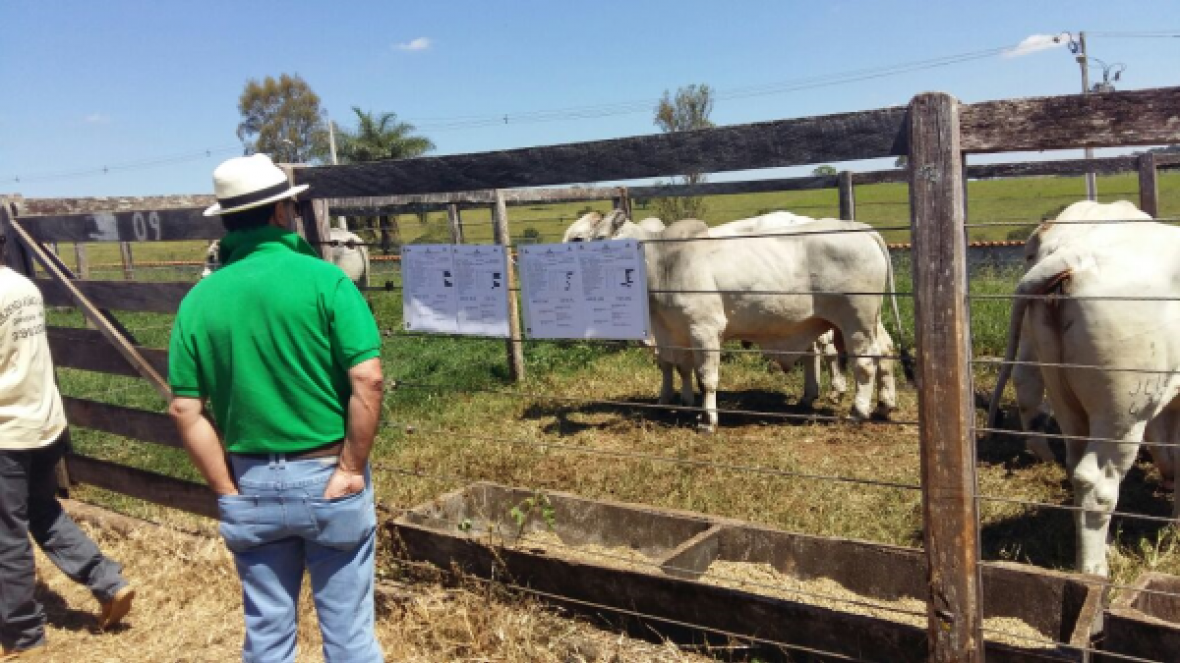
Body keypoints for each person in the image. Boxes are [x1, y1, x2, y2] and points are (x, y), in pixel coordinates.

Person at [167, 154, 384, 663]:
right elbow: (367, 378)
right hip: (328, 473)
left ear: (226, 220)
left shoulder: (199, 300)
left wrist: (226, 490)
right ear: (280, 212)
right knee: (349, 635)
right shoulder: (327, 281)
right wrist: (351, 468)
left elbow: (184, 410)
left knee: (267, 632)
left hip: (251, 480)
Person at [0, 233, 135, 660]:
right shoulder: (22, 287)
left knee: (6, 534)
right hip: (44, 421)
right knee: (42, 510)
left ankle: (21, 634)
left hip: (6, 432)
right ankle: (107, 582)